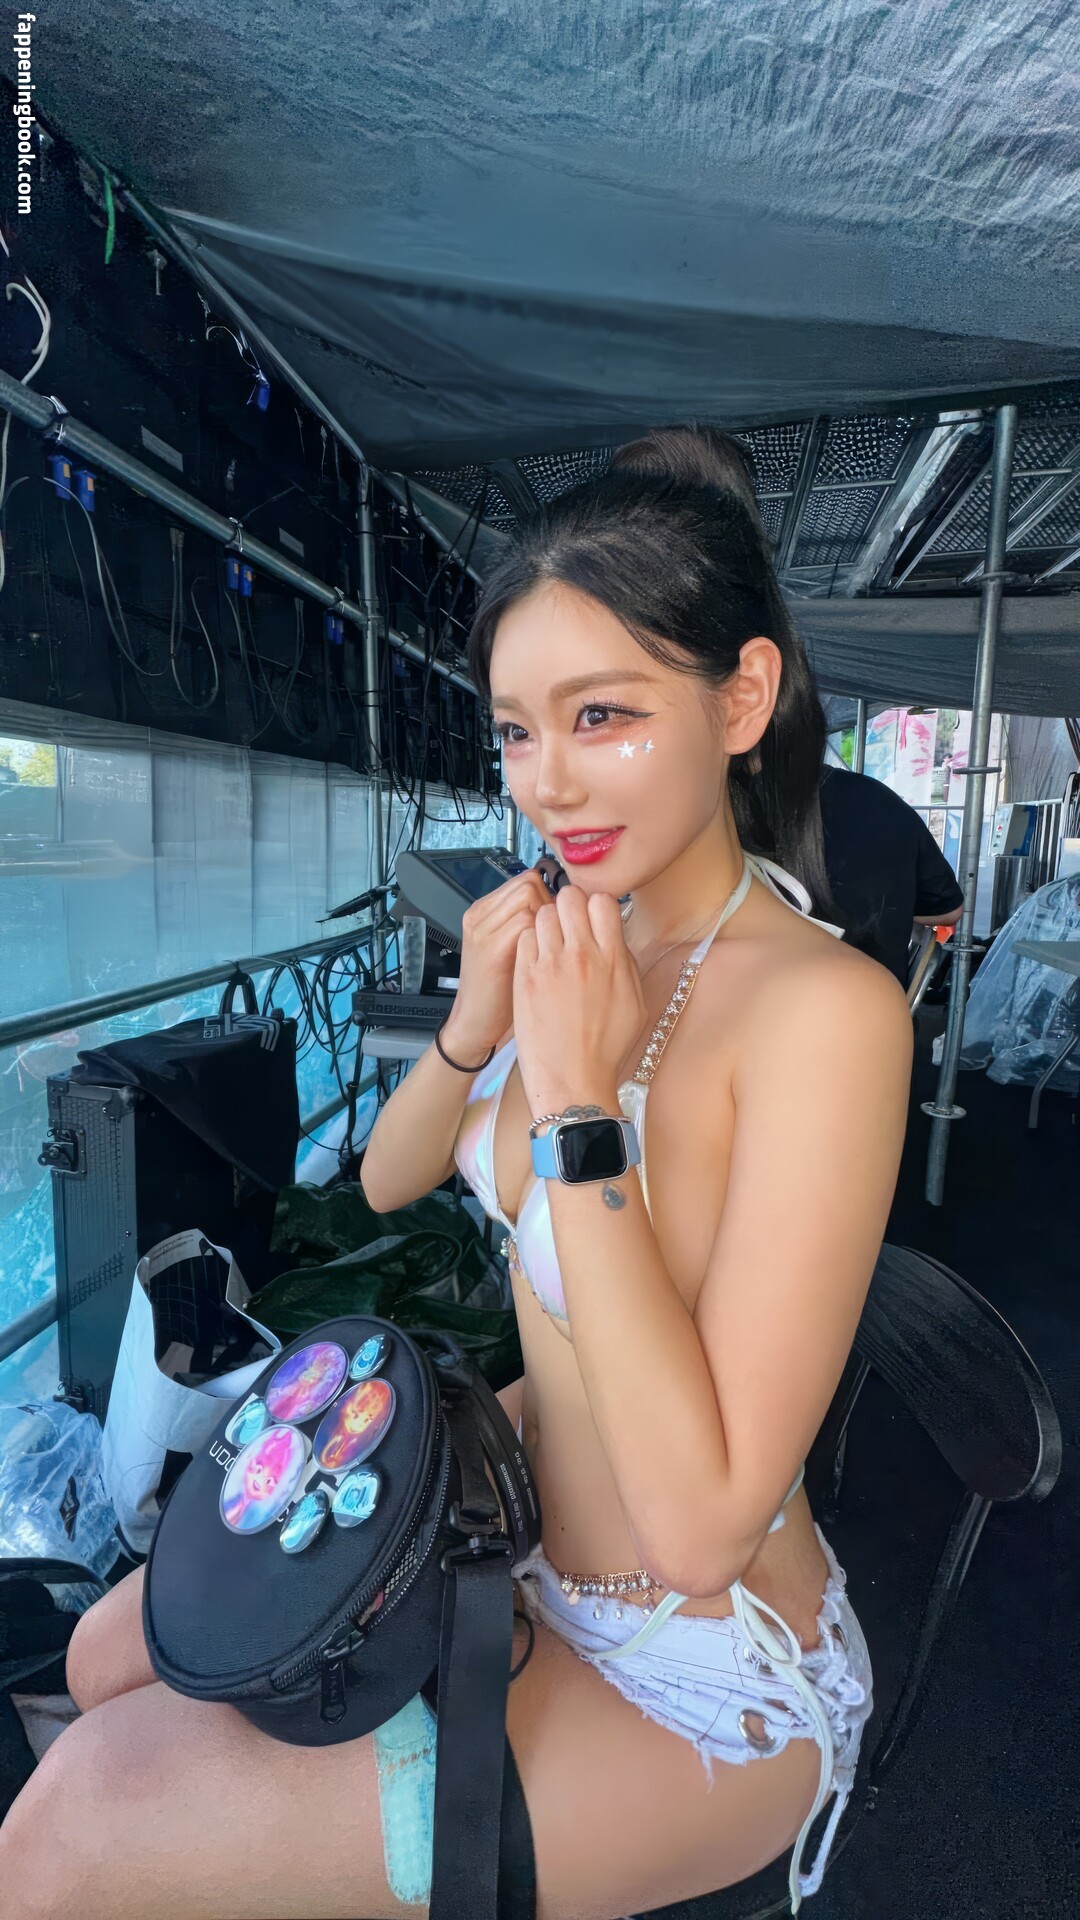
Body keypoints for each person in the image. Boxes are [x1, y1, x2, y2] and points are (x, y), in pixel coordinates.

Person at [0, 461, 912, 1920]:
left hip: (696, 1664)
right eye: (517, 731)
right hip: (510, 1526)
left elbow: (701, 1530)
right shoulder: (581, 942)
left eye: (603, 716)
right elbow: (385, 1179)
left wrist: (582, 1116)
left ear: (742, 700)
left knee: (71, 1830)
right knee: (110, 1654)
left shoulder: (828, 1015)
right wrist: (477, 1027)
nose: (548, 783)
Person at [818, 764, 964, 987]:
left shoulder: (767, 806)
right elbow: (950, 910)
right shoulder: (877, 797)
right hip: (882, 994)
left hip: (809, 997)